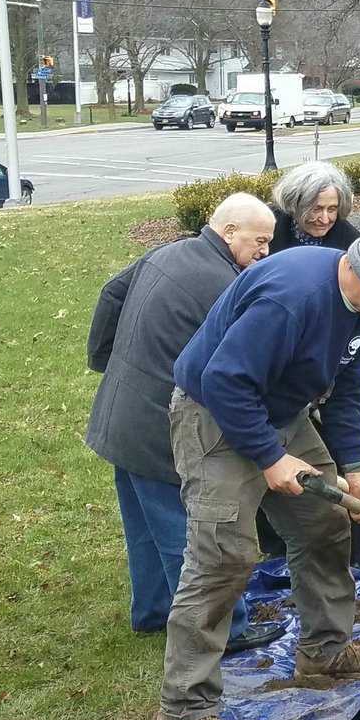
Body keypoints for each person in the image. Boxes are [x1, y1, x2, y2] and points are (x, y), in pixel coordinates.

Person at [154, 220, 360, 720]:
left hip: (281, 412)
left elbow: (348, 385)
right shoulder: (293, 297)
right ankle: (184, 714)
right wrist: (269, 457)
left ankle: (325, 651)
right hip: (216, 415)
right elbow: (223, 379)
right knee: (224, 557)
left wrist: (355, 467)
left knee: (325, 523)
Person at [85, 193, 284, 655]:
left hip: (121, 414)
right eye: (260, 240)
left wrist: (106, 360)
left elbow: (111, 294)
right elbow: (238, 368)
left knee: (143, 519)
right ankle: (225, 629)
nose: (265, 252)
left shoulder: (168, 251)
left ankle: (154, 610)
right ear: (229, 231)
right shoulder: (222, 284)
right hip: (159, 425)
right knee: (188, 529)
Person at [257, 160, 360, 568]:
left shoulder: (351, 243)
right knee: (274, 458)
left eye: (332, 208)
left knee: (335, 456)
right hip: (277, 361)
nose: (323, 217)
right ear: (293, 205)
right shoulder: (272, 232)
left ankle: (351, 556)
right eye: (314, 208)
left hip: (330, 359)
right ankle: (277, 550)